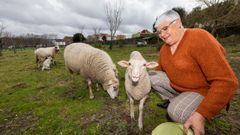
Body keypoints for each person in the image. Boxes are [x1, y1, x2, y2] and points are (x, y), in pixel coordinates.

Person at [149, 10, 238, 135]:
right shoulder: (164, 49)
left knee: (175, 112)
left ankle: (194, 110)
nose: (162, 35)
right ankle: (181, 100)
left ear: (178, 22)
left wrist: (201, 114)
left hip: (203, 90)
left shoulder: (199, 37)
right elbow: (160, 71)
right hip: (181, 87)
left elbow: (227, 81)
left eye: (165, 28)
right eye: (159, 32)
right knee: (151, 77)